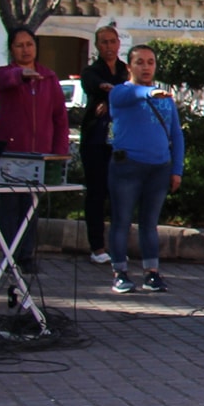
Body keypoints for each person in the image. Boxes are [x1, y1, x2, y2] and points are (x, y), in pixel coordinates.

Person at [105, 45, 185, 294]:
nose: (146, 67)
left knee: (149, 223)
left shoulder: (165, 98)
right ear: (129, 67)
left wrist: (177, 169)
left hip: (158, 168)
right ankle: (120, 272)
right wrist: (150, 94)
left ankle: (152, 272)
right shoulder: (120, 93)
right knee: (122, 222)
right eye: (140, 62)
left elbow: (176, 134)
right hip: (127, 166)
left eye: (150, 62)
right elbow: (130, 96)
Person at [0, 25, 70, 273]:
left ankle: (26, 255)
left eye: (29, 44)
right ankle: (9, 256)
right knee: (9, 208)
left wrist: (59, 151)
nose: (25, 50)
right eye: (19, 45)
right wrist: (21, 76)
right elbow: (4, 81)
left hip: (39, 154)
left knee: (30, 207)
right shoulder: (5, 73)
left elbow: (59, 117)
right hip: (12, 153)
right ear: (11, 49)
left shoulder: (49, 77)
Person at [78, 24, 130, 264]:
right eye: (104, 42)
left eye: (112, 41)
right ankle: (97, 246)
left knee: (120, 195)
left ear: (119, 43)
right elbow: (95, 85)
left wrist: (111, 102)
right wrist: (111, 94)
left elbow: (130, 93)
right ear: (98, 46)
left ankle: (119, 246)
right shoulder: (92, 71)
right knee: (96, 193)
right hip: (96, 140)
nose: (109, 46)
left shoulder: (124, 70)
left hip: (120, 140)